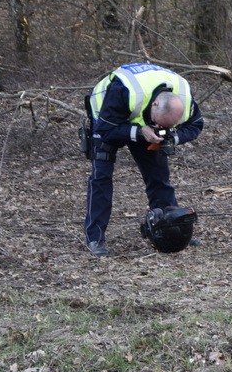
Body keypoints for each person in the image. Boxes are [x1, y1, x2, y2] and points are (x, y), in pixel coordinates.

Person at [83, 63, 204, 256]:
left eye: (165, 126)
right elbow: (104, 129)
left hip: (141, 123)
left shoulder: (184, 97)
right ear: (155, 104)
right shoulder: (124, 90)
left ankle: (169, 229)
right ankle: (95, 238)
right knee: (101, 178)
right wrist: (140, 131)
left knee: (158, 176)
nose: (158, 127)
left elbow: (196, 125)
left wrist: (171, 137)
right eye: (157, 123)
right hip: (107, 121)